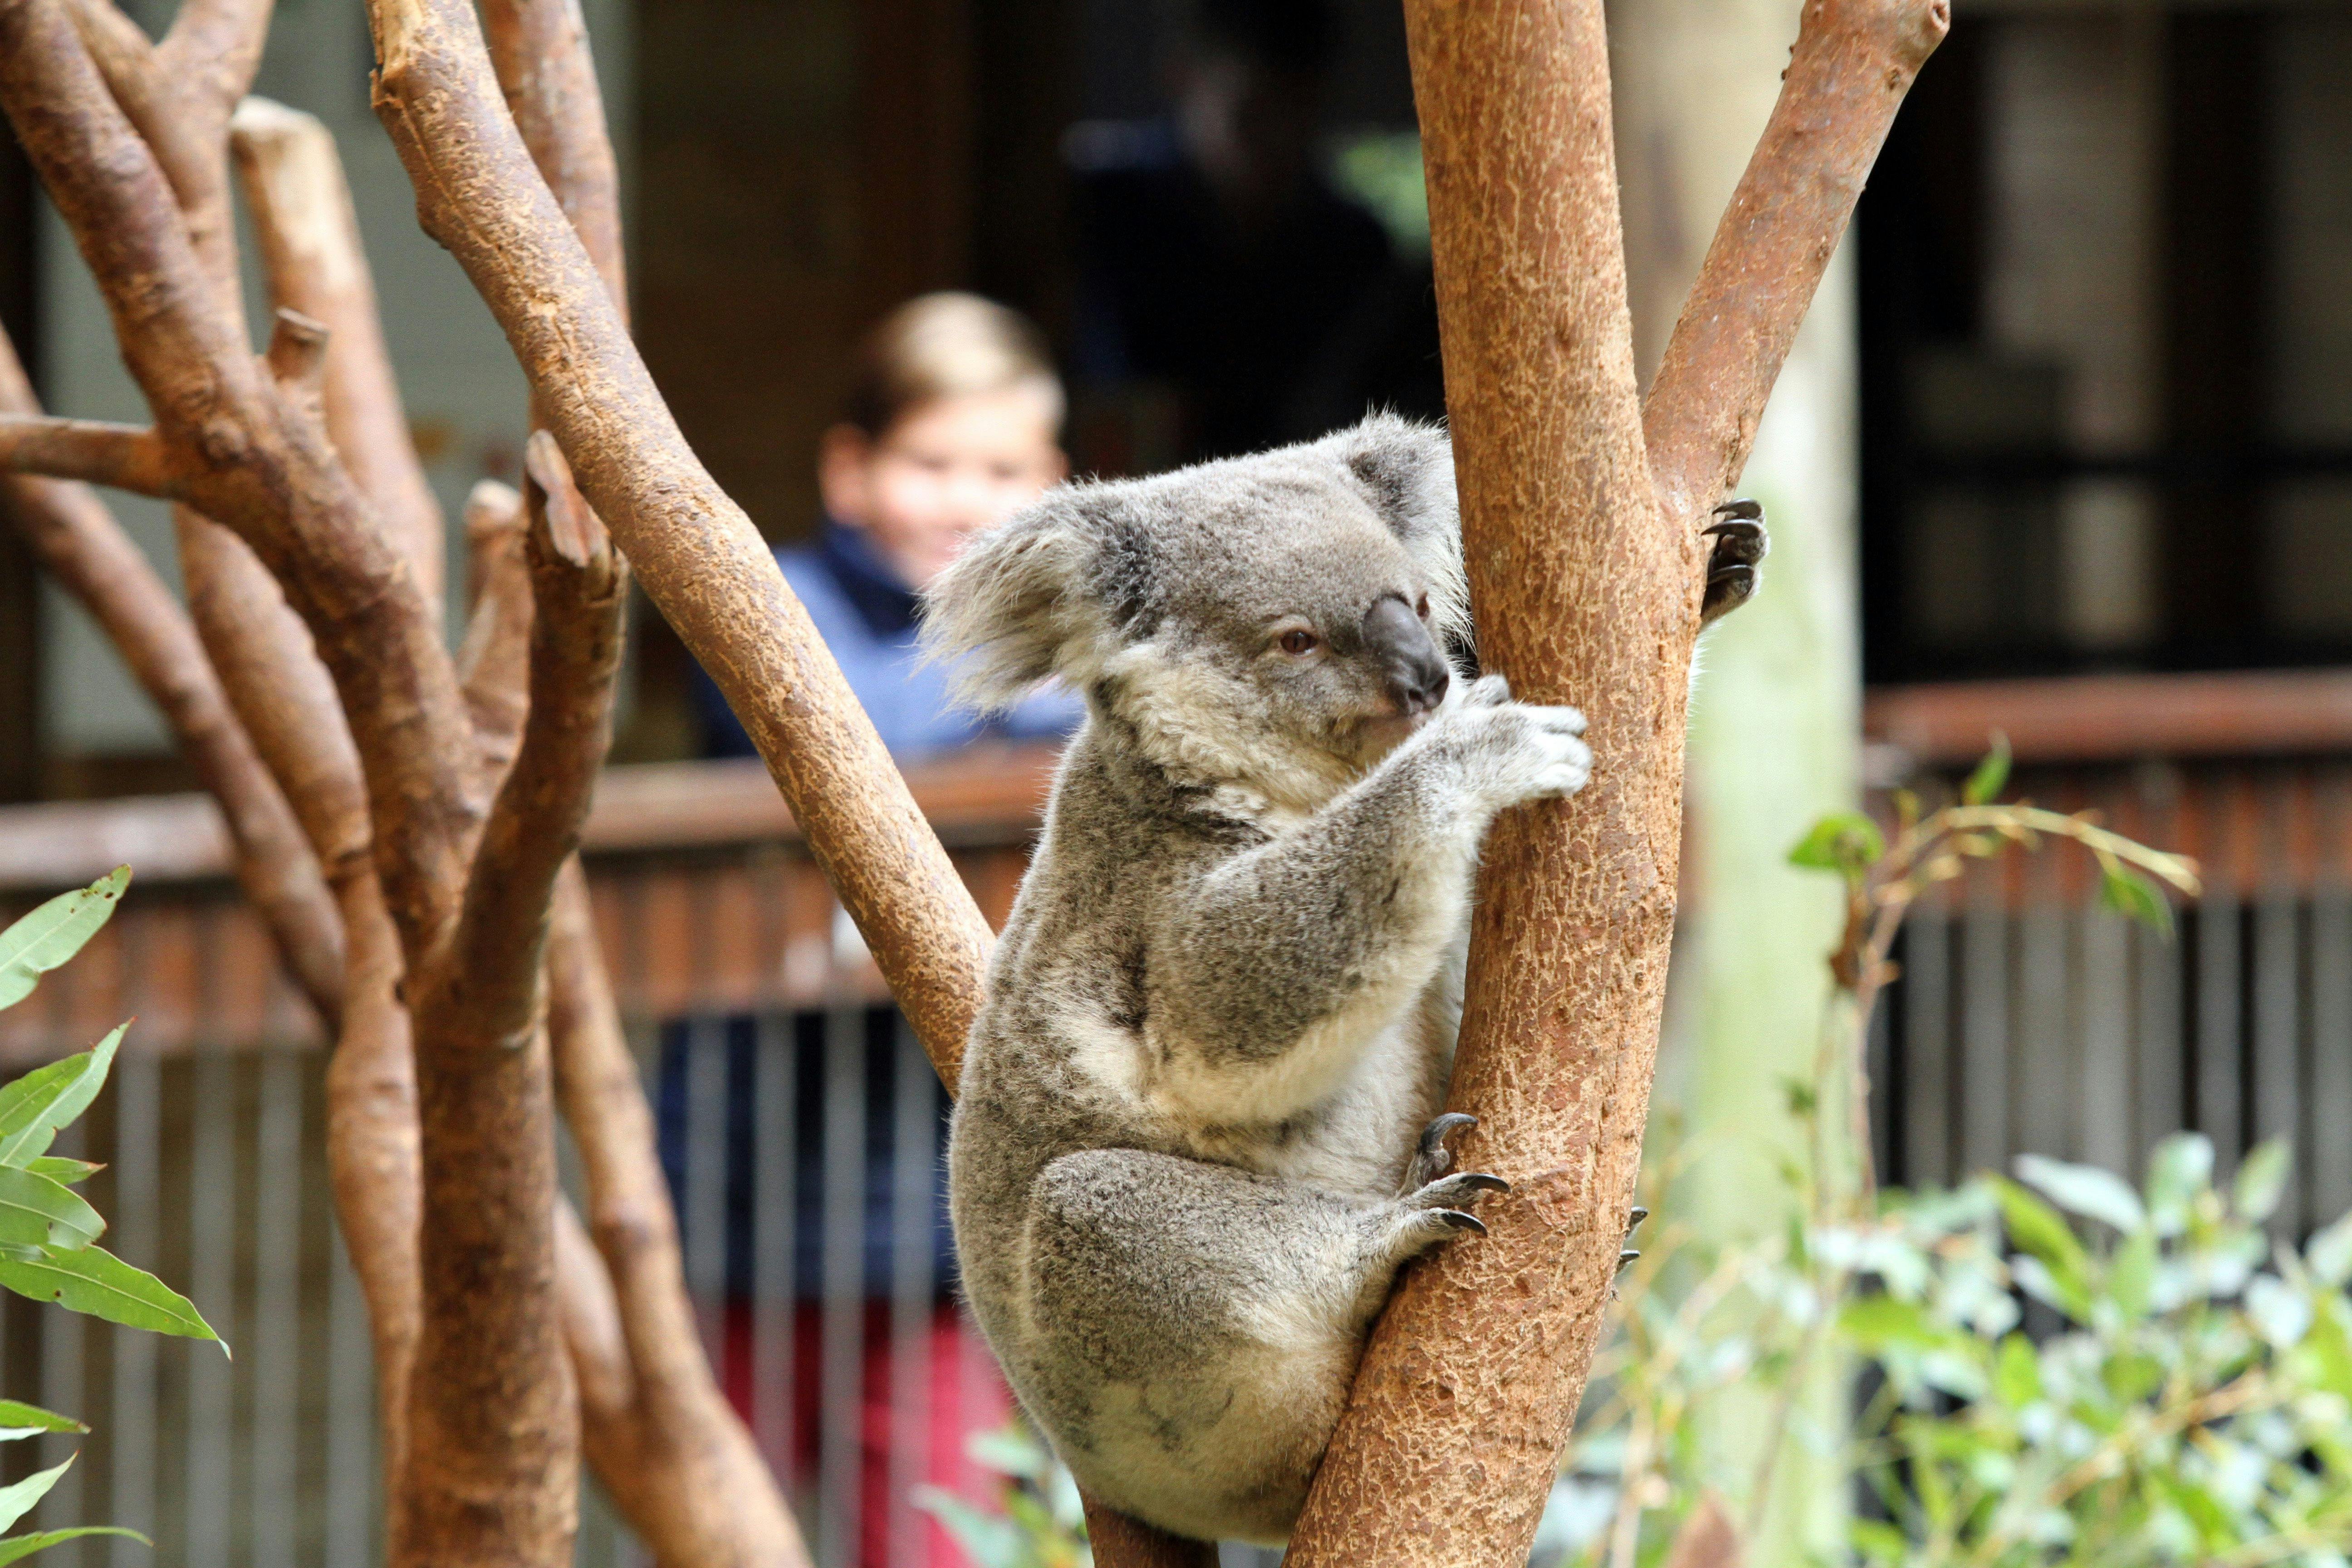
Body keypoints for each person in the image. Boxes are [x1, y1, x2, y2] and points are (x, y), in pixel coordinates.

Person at [696, 291, 1083, 759]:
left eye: (1004, 472)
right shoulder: (764, 598)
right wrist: (1023, 666)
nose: (965, 505)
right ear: (850, 472)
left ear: (1052, 487)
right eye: (931, 465)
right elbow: (835, 735)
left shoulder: (1066, 608)